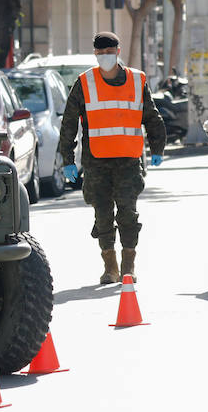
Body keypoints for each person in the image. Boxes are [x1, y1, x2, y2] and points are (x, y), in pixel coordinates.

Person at [58, 31, 166, 284]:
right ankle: (110, 267)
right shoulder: (85, 83)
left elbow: (151, 116)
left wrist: (157, 149)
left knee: (128, 212)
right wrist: (67, 159)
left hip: (128, 160)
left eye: (110, 52)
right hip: (96, 162)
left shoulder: (137, 80)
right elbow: (69, 122)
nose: (105, 57)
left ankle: (129, 265)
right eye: (101, 53)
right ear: (95, 54)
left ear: (118, 52)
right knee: (102, 214)